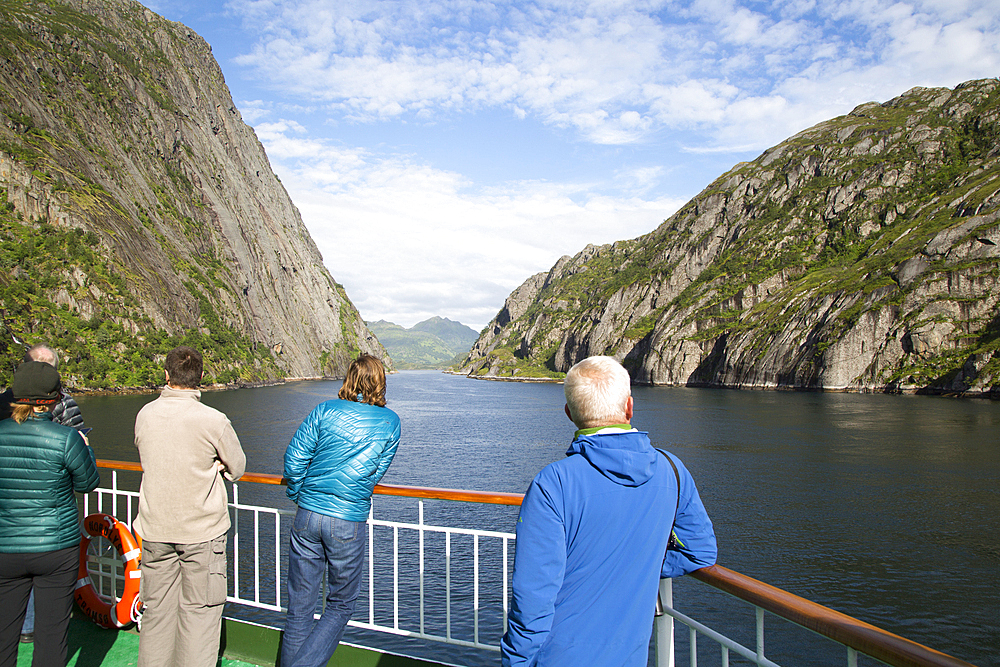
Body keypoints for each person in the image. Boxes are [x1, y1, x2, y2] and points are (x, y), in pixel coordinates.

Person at [500, 356, 717, 667]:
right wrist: (641, 560)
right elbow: (700, 553)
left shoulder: (554, 483)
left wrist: (516, 662)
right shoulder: (673, 470)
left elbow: (533, 596)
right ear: (629, 407)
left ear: (569, 414)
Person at [281, 354, 401, 667]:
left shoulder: (323, 411)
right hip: (348, 520)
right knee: (340, 604)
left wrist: (300, 495)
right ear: (379, 382)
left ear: (349, 379)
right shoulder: (390, 422)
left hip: (307, 515)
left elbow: (294, 460)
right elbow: (375, 474)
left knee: (300, 607)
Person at [133, 346, 246, 667]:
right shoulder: (213, 420)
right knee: (199, 615)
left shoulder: (145, 414)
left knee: (157, 613)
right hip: (201, 533)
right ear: (201, 378)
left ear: (166, 376)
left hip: (155, 529)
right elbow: (236, 467)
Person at [0, 361, 100, 667]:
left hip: (6, 547)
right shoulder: (65, 438)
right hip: (56, 548)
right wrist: (85, 447)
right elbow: (87, 483)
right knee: (52, 635)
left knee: (3, 633)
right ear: (53, 399)